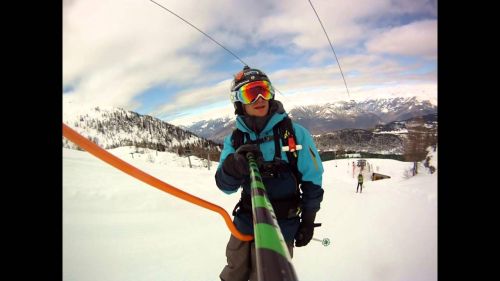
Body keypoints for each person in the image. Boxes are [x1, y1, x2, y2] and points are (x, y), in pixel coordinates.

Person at [215, 66, 324, 281]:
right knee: (234, 269)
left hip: (282, 225)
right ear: (239, 102)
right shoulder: (235, 141)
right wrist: (233, 167)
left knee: (269, 275)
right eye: (250, 93)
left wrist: (309, 219)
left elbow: (313, 179)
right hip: (246, 219)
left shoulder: (294, 134)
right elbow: (225, 186)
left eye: (263, 90)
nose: (259, 98)